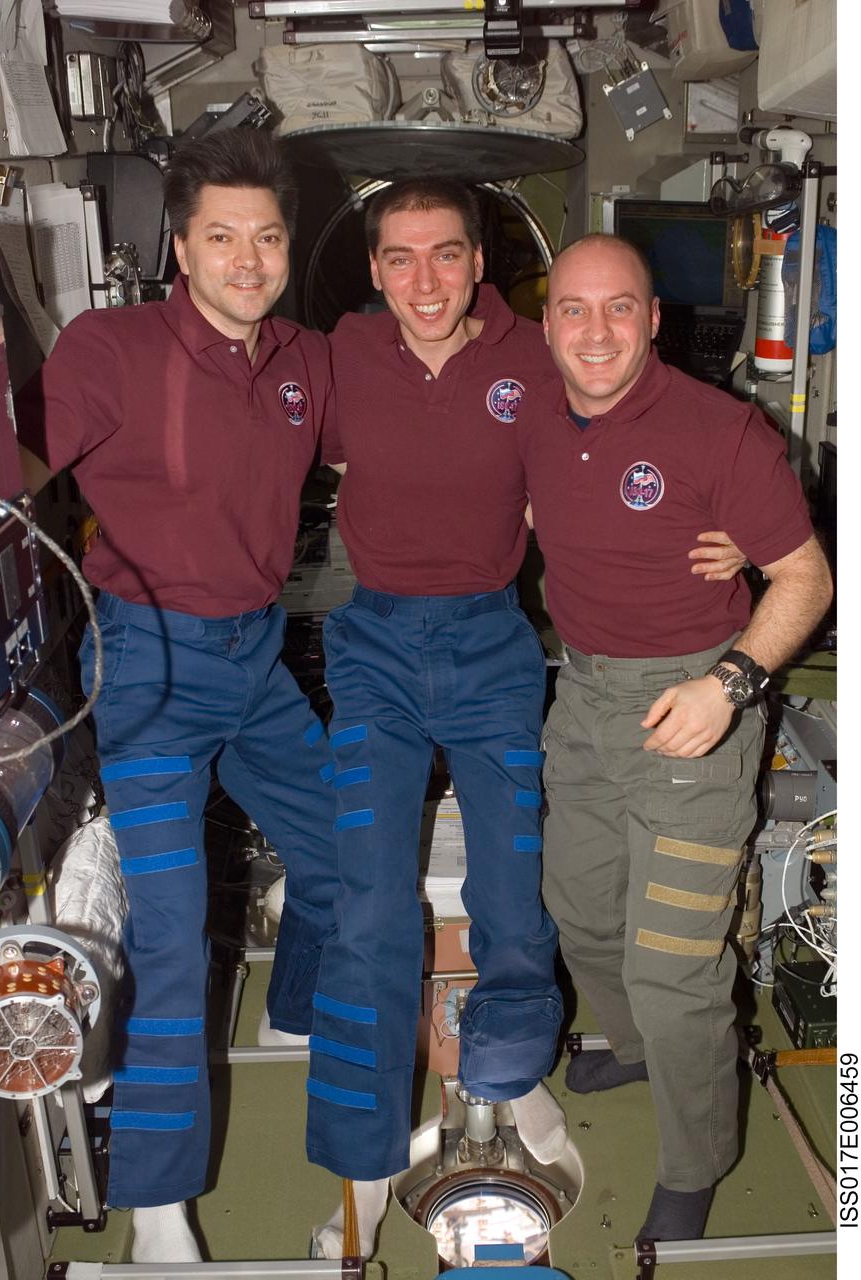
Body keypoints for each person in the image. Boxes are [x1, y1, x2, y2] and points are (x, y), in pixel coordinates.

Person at [302, 181, 746, 1259]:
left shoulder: (534, 357)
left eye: (445, 255)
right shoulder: (337, 360)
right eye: (399, 258)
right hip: (373, 647)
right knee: (365, 886)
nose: (423, 280)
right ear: (370, 270)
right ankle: (362, 1132)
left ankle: (507, 1056)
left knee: (515, 875)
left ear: (482, 264)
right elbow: (239, 422)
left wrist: (731, 522)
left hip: (495, 644)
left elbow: (638, 410)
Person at [16, 130, 339, 1264]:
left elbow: (414, 443)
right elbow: (12, 470)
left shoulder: (304, 356)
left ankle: (296, 1005)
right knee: (169, 929)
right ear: (179, 248)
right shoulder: (112, 348)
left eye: (266, 237)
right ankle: (158, 1211)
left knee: (347, 849)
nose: (247, 261)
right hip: (147, 660)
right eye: (220, 238)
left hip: (255, 657)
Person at [519, 233, 833, 1243]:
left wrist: (728, 683)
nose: (595, 331)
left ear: (652, 320)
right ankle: (638, 1044)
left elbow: (806, 579)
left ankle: (697, 1158)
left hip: (698, 705)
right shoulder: (529, 416)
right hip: (586, 699)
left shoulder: (718, 430)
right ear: (547, 323)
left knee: (675, 963)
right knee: (578, 910)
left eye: (620, 308)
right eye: (574, 308)